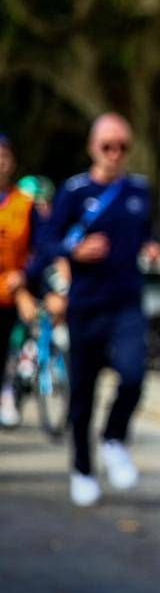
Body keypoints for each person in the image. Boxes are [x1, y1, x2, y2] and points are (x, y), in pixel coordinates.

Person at [37, 114, 160, 506]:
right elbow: (47, 241)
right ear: (93, 147)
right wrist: (73, 250)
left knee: (133, 375)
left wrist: (151, 248)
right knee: (83, 392)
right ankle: (82, 468)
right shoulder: (74, 191)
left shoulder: (138, 190)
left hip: (126, 302)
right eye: (108, 146)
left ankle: (113, 437)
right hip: (86, 305)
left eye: (122, 146)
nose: (115, 154)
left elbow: (146, 234)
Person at [0, 138, 41, 427]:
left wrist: (25, 276)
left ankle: (9, 391)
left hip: (10, 292)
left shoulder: (25, 205)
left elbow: (42, 248)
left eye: (4, 156)